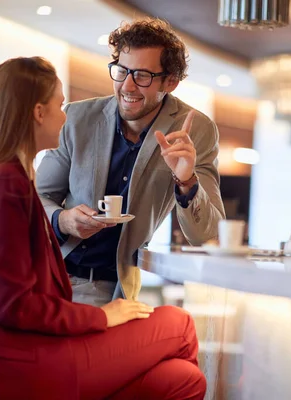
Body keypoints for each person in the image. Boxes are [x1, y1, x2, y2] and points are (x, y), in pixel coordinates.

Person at [0, 56, 206, 399]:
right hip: (16, 365)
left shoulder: (12, 179)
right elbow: (15, 306)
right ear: (39, 113)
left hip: (32, 353)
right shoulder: (4, 186)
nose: (66, 115)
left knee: (185, 379)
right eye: (59, 105)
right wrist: (102, 318)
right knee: (179, 324)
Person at [36, 18, 225, 305]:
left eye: (143, 76)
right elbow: (38, 197)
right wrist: (62, 219)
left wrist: (187, 182)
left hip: (115, 291)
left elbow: (209, 236)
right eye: (122, 71)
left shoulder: (196, 130)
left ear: (170, 81)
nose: (127, 86)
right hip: (51, 275)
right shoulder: (76, 119)